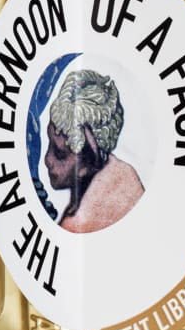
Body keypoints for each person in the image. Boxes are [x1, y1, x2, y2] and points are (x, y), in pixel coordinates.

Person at [44, 69, 144, 233]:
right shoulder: (122, 171)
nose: (47, 160)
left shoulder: (78, 225)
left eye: (60, 154)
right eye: (50, 145)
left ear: (87, 163)